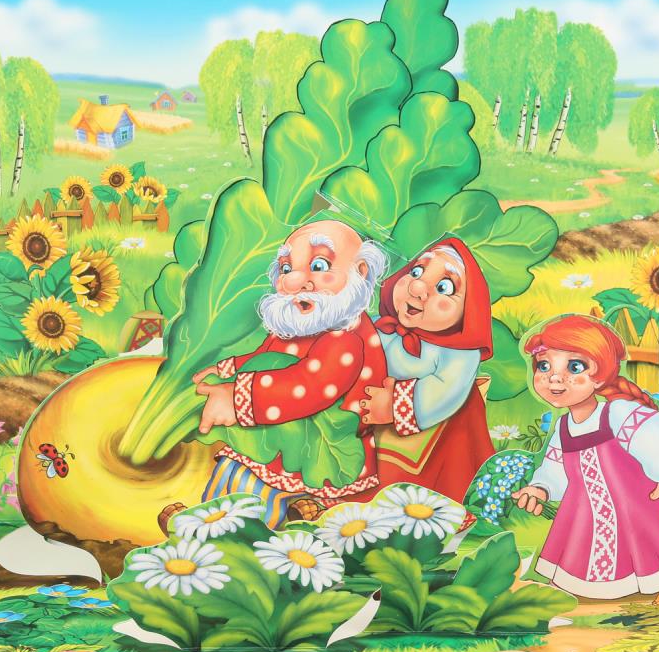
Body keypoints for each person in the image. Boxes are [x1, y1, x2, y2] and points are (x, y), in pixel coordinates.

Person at [185, 219, 389, 528]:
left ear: (359, 272)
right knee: (235, 468)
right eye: (286, 268)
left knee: (256, 487)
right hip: (282, 432)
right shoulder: (301, 324)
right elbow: (267, 359)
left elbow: (310, 386)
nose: (294, 282)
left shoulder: (345, 338)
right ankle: (205, 523)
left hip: (318, 448)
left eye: (319, 266)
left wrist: (236, 398)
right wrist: (230, 368)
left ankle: (233, 533)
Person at [512, 314, 659, 607]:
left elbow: (657, 435)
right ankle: (571, 586)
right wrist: (540, 488)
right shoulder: (562, 428)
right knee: (578, 543)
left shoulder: (616, 414)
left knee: (652, 539)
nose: (554, 377)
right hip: (584, 508)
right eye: (544, 366)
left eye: (574, 367)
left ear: (600, 376)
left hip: (633, 502)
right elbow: (554, 468)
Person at [359, 238, 495, 504]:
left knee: (402, 479)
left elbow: (445, 389)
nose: (417, 287)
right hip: (368, 416)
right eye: (416, 271)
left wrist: (395, 404)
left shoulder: (459, 352)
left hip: (432, 430)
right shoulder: (379, 326)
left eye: (444, 287)